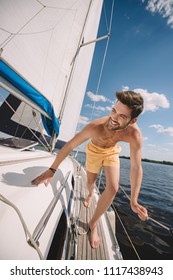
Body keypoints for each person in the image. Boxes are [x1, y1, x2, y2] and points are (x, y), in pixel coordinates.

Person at [32, 90, 148, 249]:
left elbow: (136, 166)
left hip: (111, 152)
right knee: (90, 182)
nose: (113, 118)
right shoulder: (95, 127)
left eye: (122, 116)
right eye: (113, 111)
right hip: (93, 151)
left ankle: (93, 224)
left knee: (113, 188)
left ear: (133, 120)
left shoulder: (134, 134)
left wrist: (133, 200)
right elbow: (70, 145)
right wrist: (52, 170)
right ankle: (89, 194)